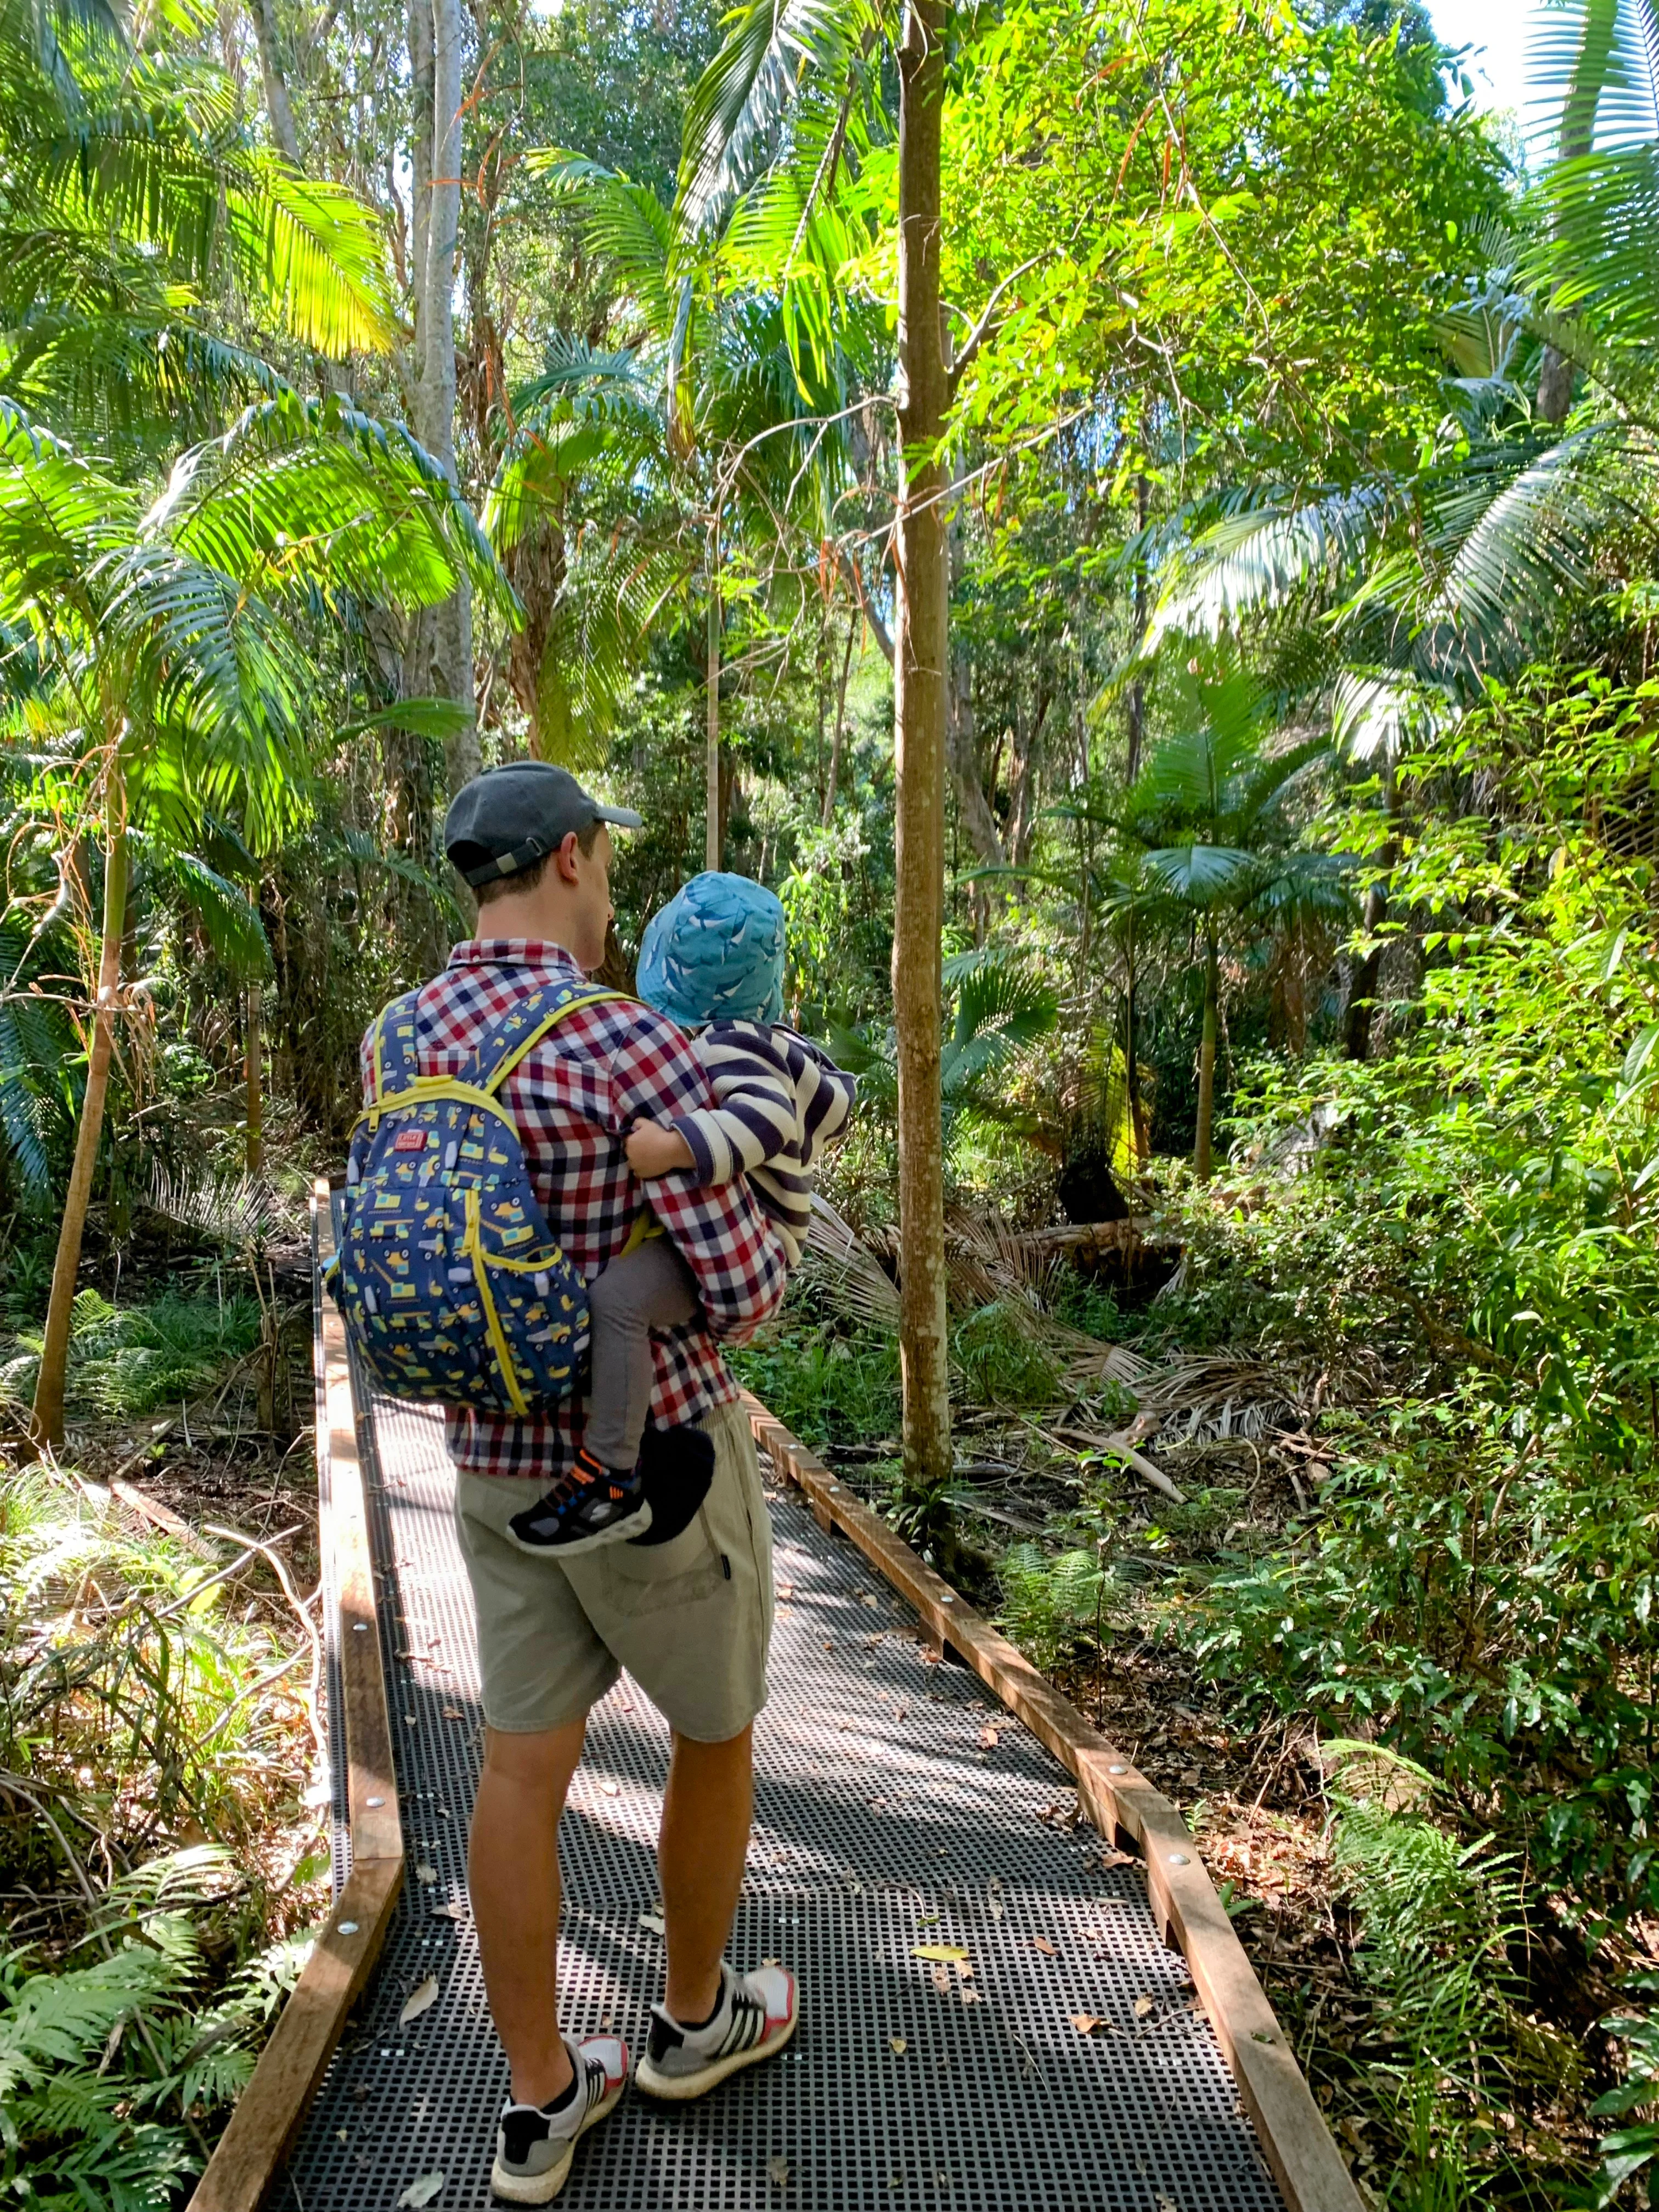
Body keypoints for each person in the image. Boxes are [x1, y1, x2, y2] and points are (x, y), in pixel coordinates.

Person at [370, 761, 798, 2206]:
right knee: (716, 1731)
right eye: (606, 863)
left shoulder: (399, 1034)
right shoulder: (621, 1041)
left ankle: (541, 2101)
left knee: (517, 1771)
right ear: (568, 859)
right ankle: (690, 2023)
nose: (611, 893)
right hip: (658, 1476)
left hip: (487, 1469)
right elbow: (738, 1293)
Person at [504, 871, 856, 1560]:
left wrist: (673, 1148)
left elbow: (768, 1121)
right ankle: (652, 1453)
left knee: (619, 1301)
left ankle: (610, 1471)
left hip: (760, 1239)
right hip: (743, 1233)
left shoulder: (730, 1044)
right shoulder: (739, 1038)